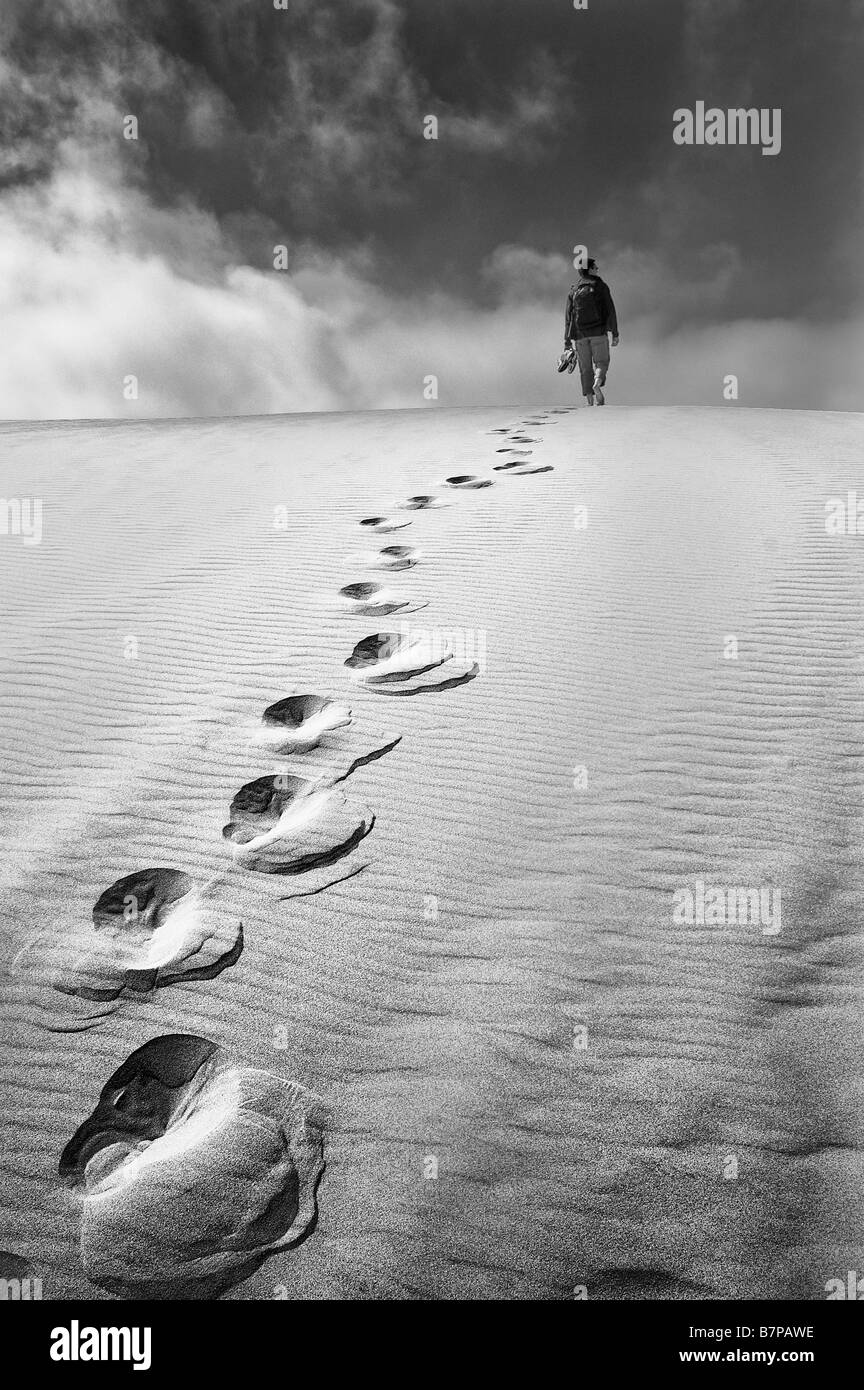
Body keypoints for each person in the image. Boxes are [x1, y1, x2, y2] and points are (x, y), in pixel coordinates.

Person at [564, 257, 619, 405]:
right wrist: (614, 332)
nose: (597, 269)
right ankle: (597, 383)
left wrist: (567, 341)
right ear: (589, 269)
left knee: (585, 367)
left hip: (580, 336)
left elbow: (568, 318)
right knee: (601, 362)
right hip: (598, 333)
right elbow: (610, 310)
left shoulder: (574, 290)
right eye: (595, 267)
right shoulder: (600, 286)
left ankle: (589, 400)